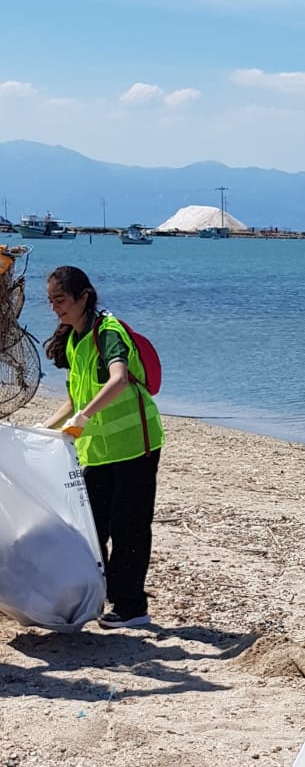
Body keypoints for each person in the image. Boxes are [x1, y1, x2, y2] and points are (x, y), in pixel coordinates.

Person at [42, 265, 164, 628]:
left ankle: (131, 608)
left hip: (135, 446)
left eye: (61, 300)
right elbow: (75, 395)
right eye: (50, 301)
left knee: (129, 527)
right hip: (97, 450)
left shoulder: (106, 332)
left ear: (84, 297)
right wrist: (45, 428)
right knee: (92, 529)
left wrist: (82, 418)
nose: (55, 308)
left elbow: (119, 381)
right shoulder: (74, 339)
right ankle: (96, 597)